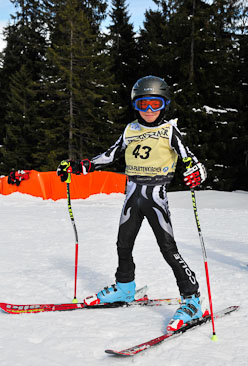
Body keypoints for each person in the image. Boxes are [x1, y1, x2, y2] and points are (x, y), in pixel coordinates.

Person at [57, 75, 208, 331]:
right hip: (131, 194)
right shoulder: (130, 130)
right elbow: (110, 155)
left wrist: (198, 173)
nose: (149, 111)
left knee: (168, 249)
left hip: (155, 196)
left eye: (155, 104)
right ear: (135, 105)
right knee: (123, 243)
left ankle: (192, 299)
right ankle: (125, 288)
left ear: (165, 105)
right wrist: (80, 166)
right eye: (143, 105)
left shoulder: (170, 131)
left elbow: (192, 160)